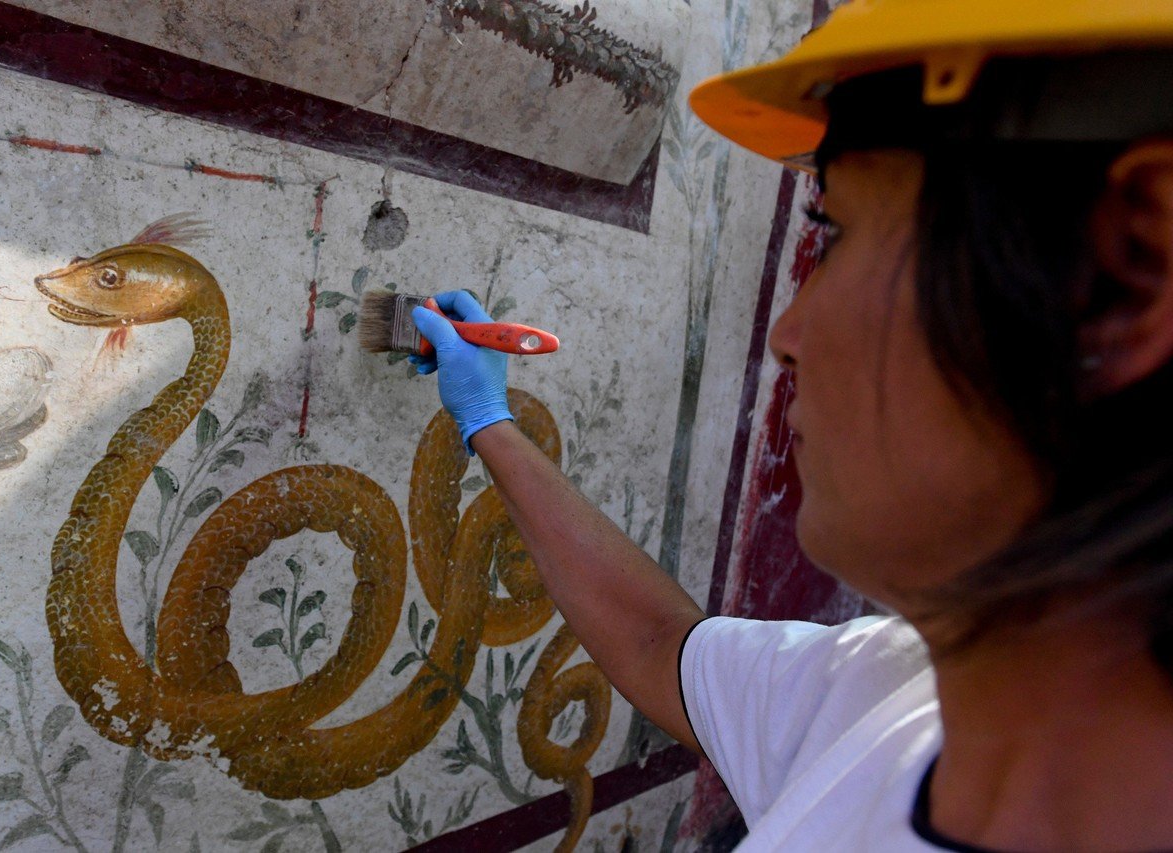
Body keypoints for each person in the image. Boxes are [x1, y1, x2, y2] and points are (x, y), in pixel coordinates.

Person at [410, 1, 1173, 849]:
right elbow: (658, 638)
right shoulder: (899, 692)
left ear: (1128, 277)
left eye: (835, 231)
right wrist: (489, 421)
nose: (785, 336)